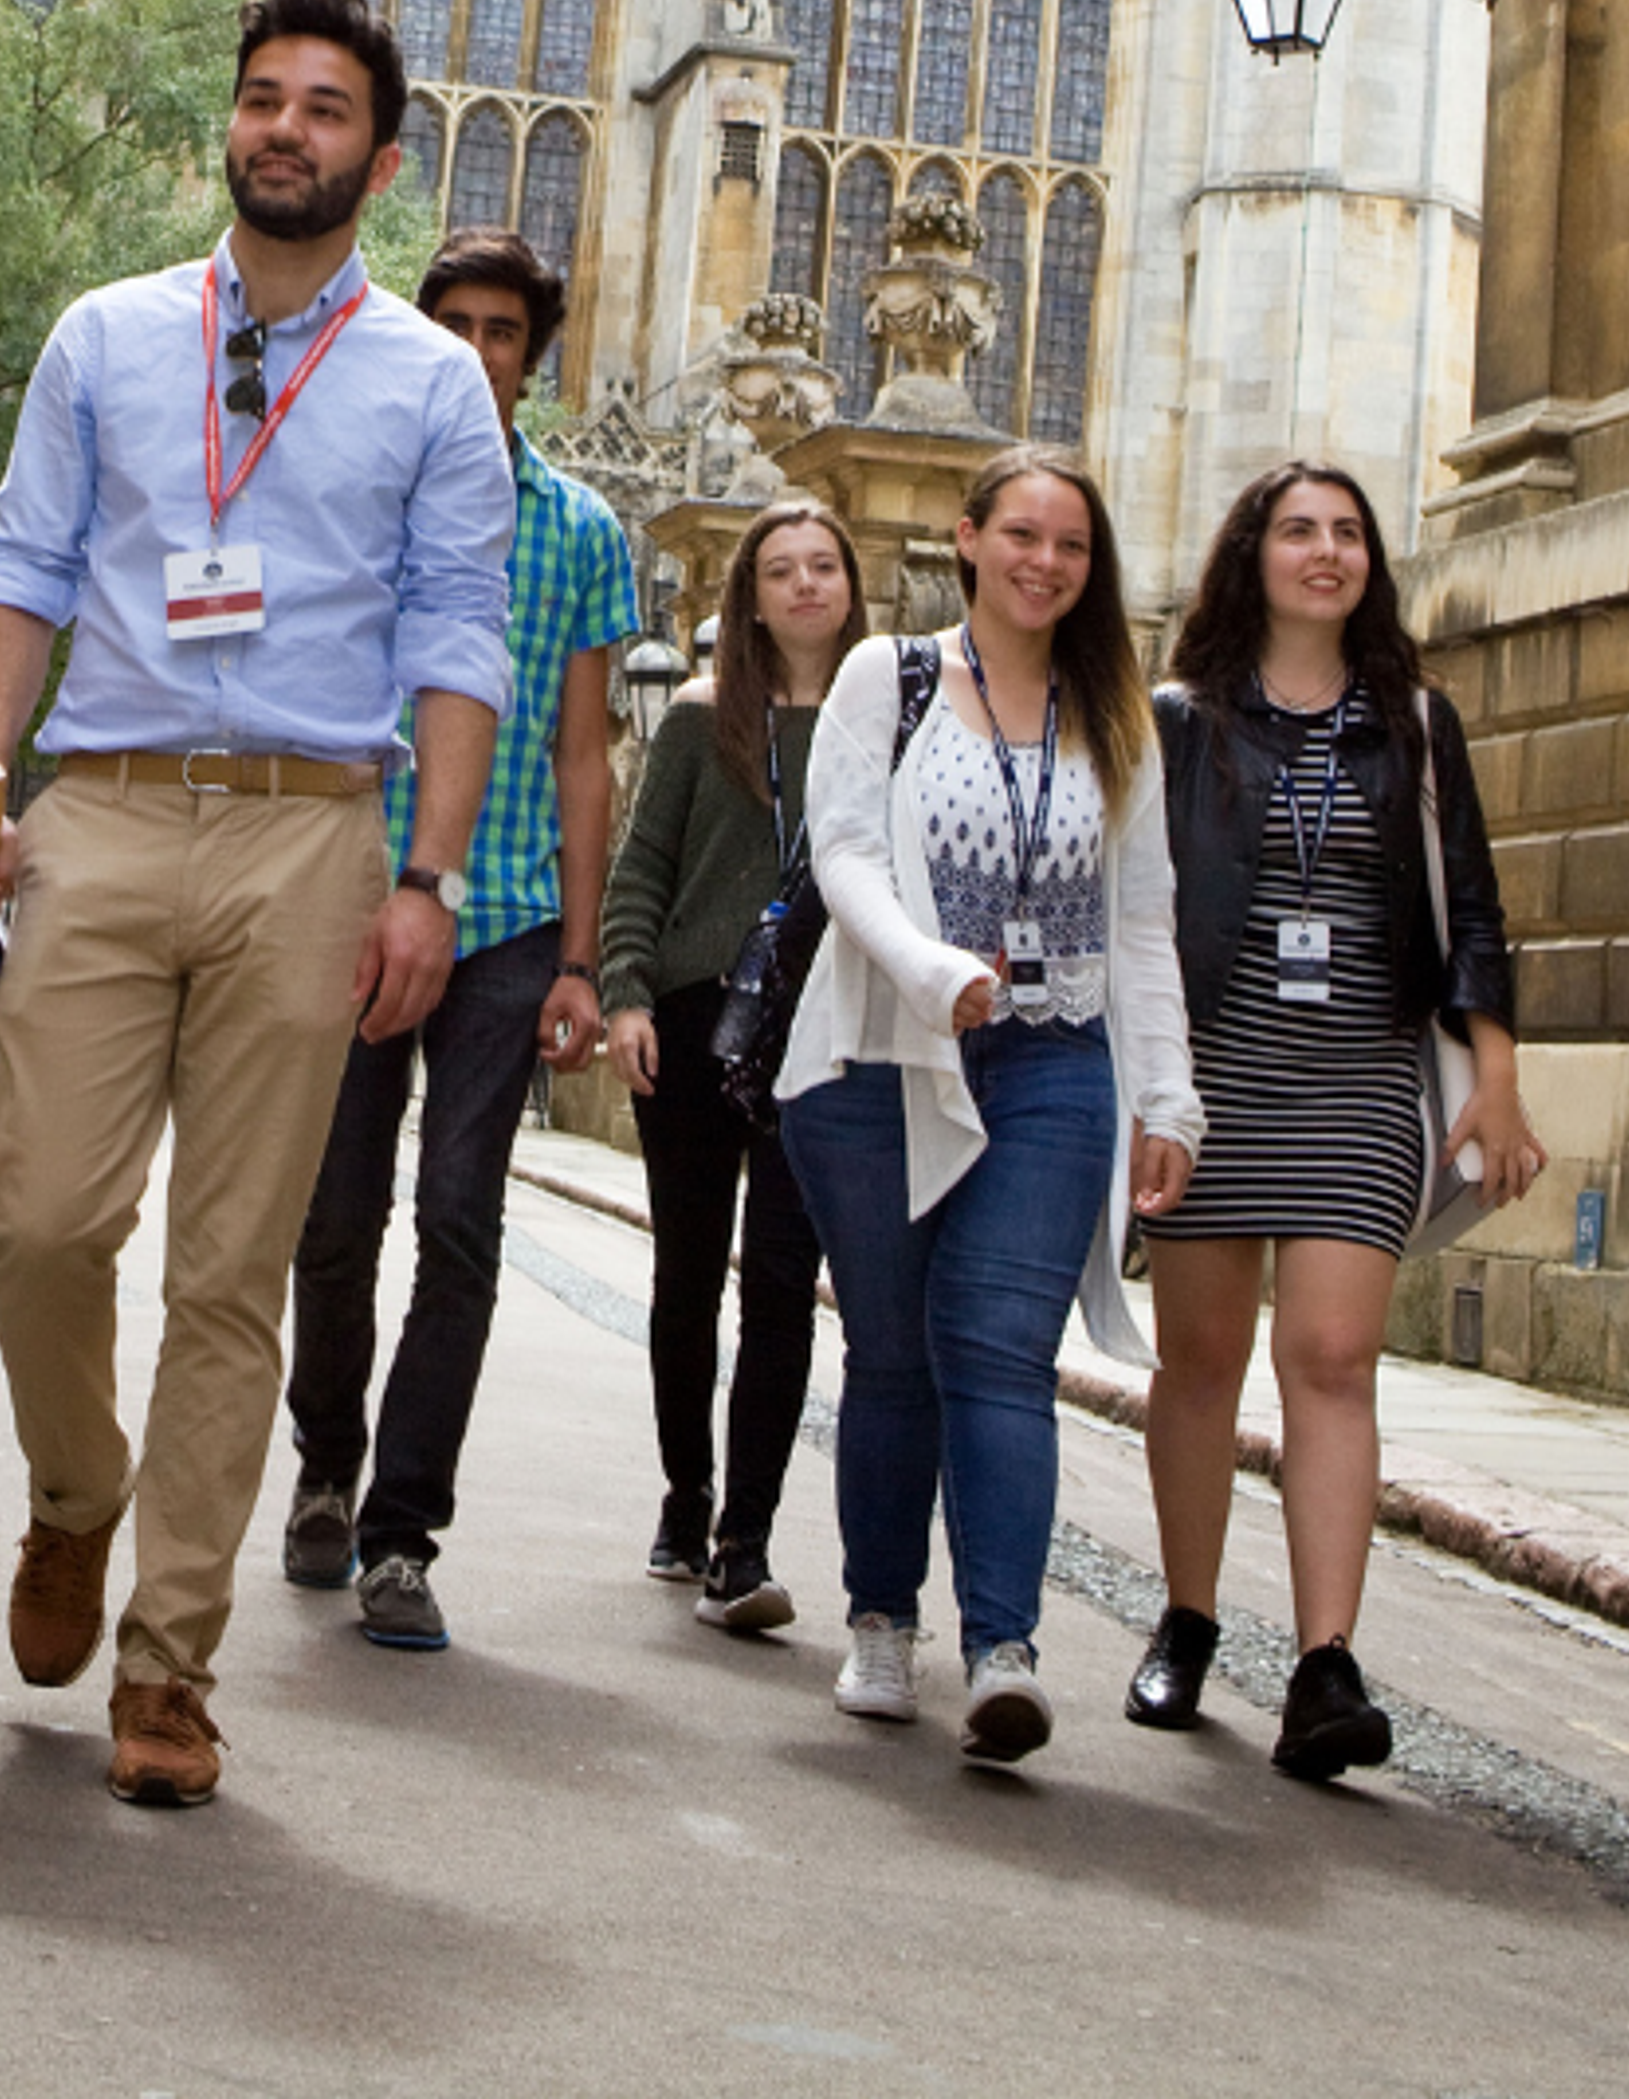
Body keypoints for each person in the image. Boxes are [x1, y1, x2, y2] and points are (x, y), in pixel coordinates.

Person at [0, 0, 511, 1811]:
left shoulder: (429, 385)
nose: (287, 128)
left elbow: (461, 647)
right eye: (265, 97)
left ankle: (170, 1659)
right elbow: (21, 568)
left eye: (326, 108)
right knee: (38, 1220)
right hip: (96, 811)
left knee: (231, 1271)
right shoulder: (105, 339)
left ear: (382, 156)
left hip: (311, 829)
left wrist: (427, 880)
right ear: (231, 124)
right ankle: (75, 1496)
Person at [773, 444, 1199, 1762]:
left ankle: (1005, 1645)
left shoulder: (1121, 713)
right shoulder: (886, 674)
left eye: (1071, 544)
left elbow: (1142, 919)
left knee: (1002, 1348)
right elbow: (840, 848)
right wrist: (929, 965)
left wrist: (1168, 1097)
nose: (1045, 562)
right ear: (968, 538)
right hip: (880, 1053)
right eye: (1022, 534)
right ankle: (883, 1622)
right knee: (894, 1351)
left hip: (1054, 1060)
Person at [1131, 458, 1541, 1777]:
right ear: (1252, 554)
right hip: (1215, 1075)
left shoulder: (1416, 725)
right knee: (1199, 1364)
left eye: (1348, 531)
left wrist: (1498, 1073)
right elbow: (1137, 912)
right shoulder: (1181, 721)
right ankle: (1188, 1623)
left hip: (1361, 1078)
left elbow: (1470, 904)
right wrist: (1141, 1080)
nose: (1326, 550)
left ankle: (1324, 1664)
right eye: (1299, 529)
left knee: (1332, 1355)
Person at [282, 225, 636, 1652]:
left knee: (461, 1220)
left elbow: (586, 757)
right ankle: (322, 1462)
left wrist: (581, 959)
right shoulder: (362, 488)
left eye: (506, 332)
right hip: (364, 887)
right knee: (333, 1211)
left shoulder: (585, 529)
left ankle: (401, 1530)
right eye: (460, 324)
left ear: (534, 358)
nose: (482, 351)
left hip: (508, 917)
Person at [599, 496, 864, 1633]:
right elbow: (642, 870)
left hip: (823, 1027)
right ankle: (684, 1491)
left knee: (782, 1286)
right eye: (782, 568)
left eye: (824, 565)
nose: (805, 584)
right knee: (690, 1271)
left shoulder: (886, 721)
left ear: (852, 584)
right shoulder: (701, 721)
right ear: (747, 594)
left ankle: (742, 1539)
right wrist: (622, 994)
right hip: (698, 1014)